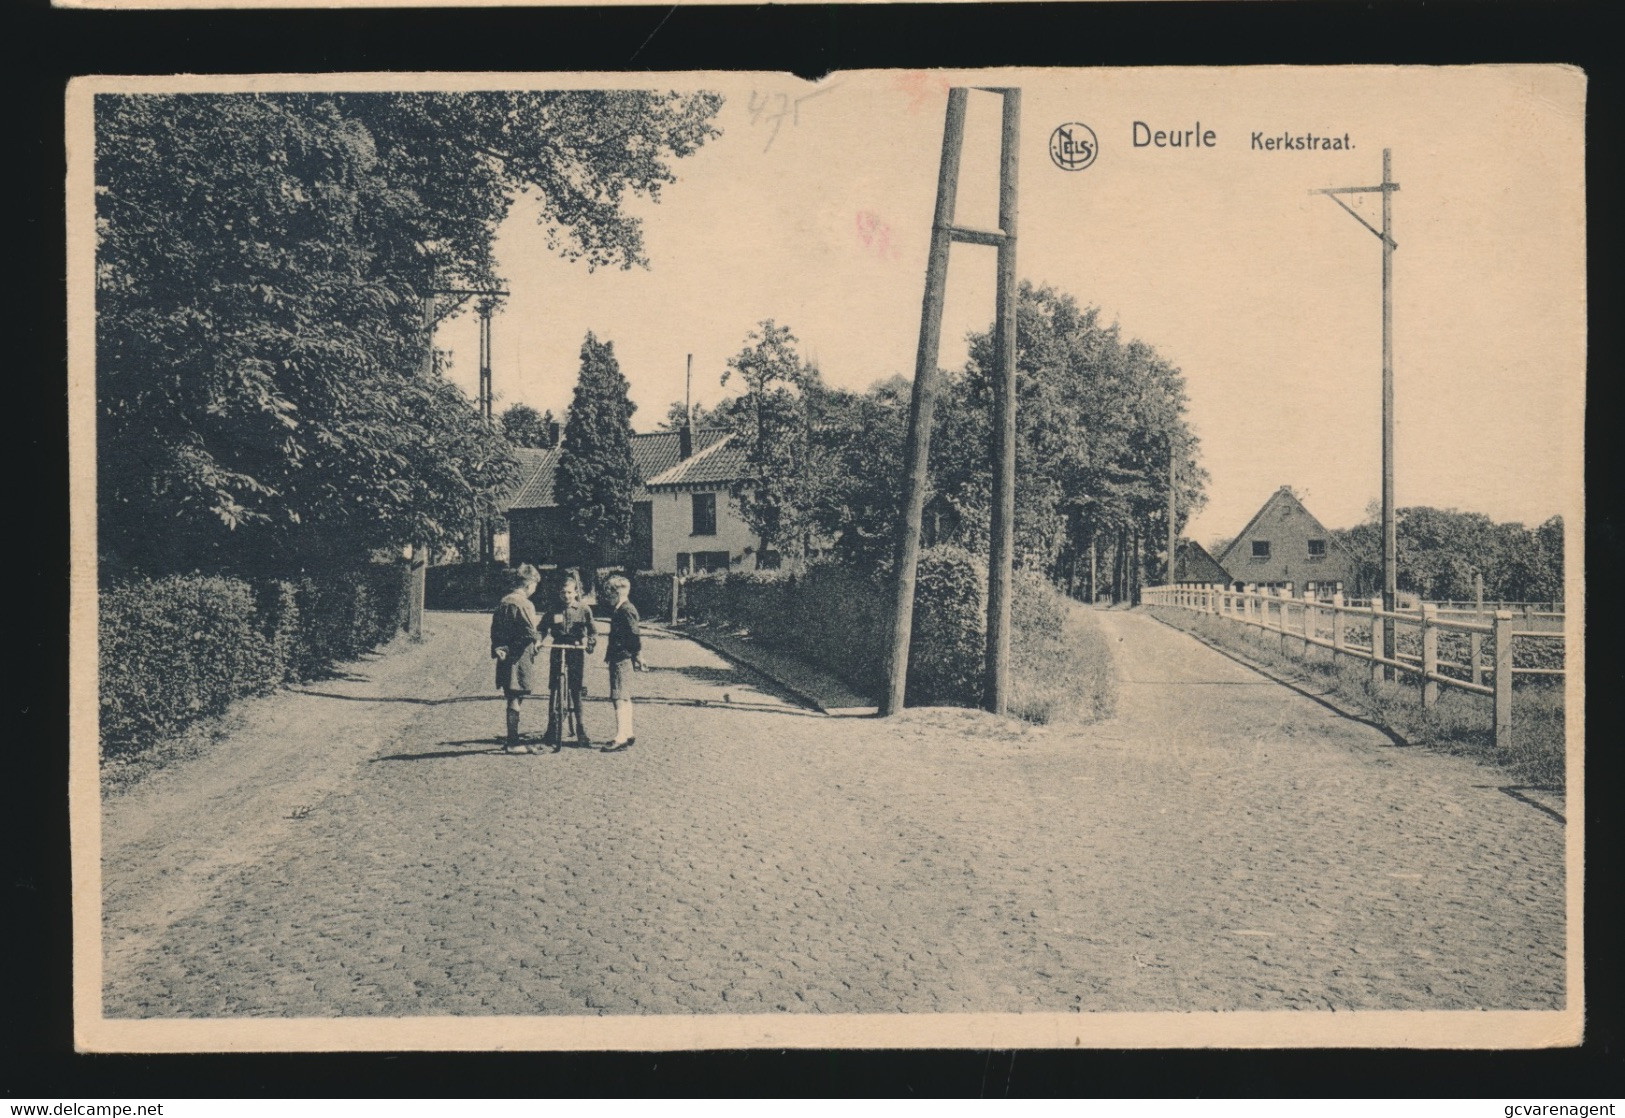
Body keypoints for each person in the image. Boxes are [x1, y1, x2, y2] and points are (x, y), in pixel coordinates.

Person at [490, 564, 543, 754]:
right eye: (535, 585)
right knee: (515, 697)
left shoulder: (504, 601)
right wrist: (536, 641)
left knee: (511, 696)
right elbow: (530, 632)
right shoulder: (525, 604)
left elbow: (495, 630)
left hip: (504, 656)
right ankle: (513, 742)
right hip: (519, 656)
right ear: (529, 584)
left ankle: (512, 738)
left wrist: (498, 647)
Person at [542, 573, 596, 749]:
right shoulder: (553, 609)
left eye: (569, 592)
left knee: (576, 689)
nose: (566, 596)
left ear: (575, 593)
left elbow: (593, 631)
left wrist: (589, 642)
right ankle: (551, 729)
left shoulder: (583, 609)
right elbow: (541, 629)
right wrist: (538, 640)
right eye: (562, 592)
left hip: (575, 649)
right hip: (558, 648)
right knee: (554, 687)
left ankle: (581, 730)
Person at [601, 574, 645, 752]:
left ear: (616, 592)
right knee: (624, 696)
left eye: (608, 593)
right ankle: (628, 732)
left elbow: (634, 635)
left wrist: (638, 655)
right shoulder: (623, 608)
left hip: (621, 657)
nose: (606, 597)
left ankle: (620, 737)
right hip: (622, 656)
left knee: (618, 696)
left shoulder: (625, 609)